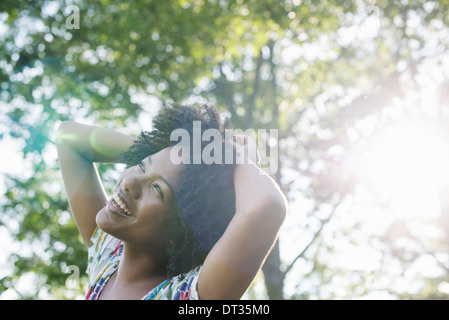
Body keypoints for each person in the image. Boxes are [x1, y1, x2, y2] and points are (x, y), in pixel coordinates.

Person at [56, 103, 287, 300]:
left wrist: (235, 158)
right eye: (143, 164)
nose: (130, 183)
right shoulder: (107, 257)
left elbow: (266, 206)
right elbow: (69, 138)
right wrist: (168, 149)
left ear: (180, 232)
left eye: (157, 189)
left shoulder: (185, 294)